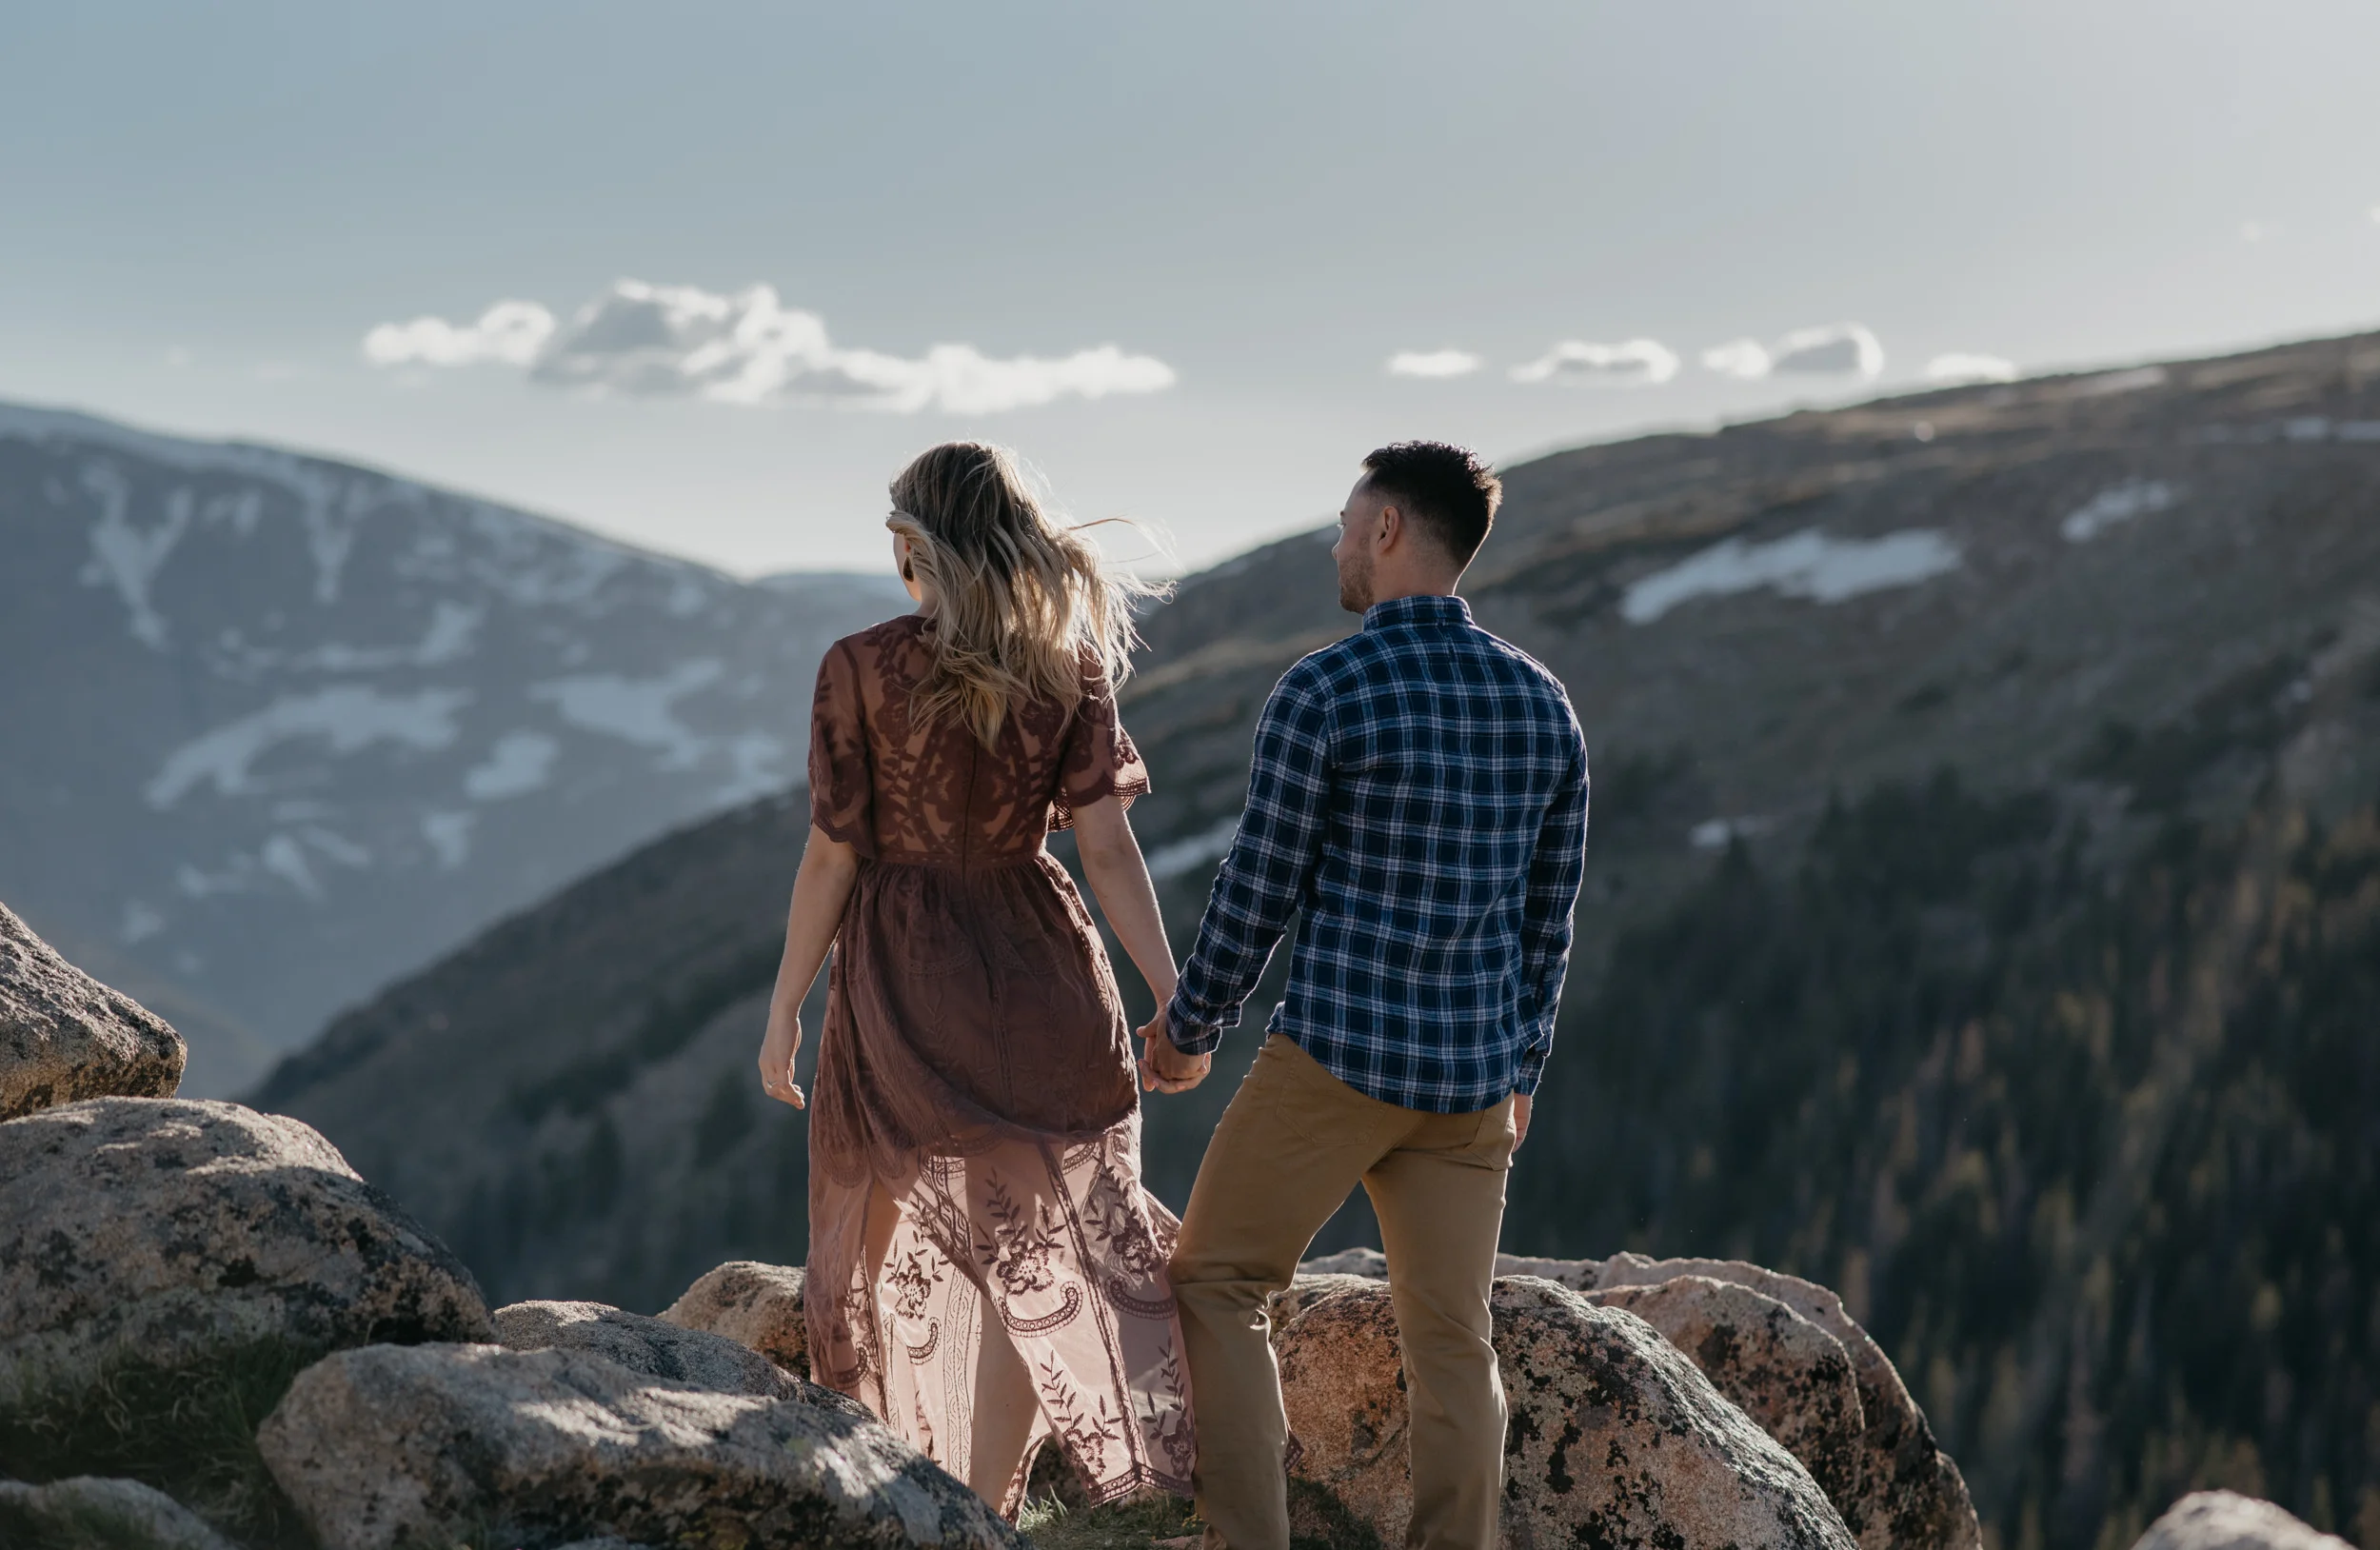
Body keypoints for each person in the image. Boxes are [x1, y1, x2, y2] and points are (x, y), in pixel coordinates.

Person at [1138, 442, 1589, 1550]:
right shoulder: (1543, 703)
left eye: (1347, 520)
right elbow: (1549, 917)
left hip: (1336, 1060)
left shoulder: (1326, 687)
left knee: (1217, 1280)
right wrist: (1521, 1071)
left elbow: (1259, 887)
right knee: (1453, 1342)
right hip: (1473, 1080)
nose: (1336, 542)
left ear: (1388, 530)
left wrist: (1188, 1028)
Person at [756, 441, 1202, 1514]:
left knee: (868, 1223)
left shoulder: (858, 665)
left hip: (903, 971)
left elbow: (832, 855)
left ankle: (878, 1479)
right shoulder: (1068, 664)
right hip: (1040, 961)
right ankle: (988, 1506)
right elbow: (1105, 851)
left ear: (916, 548)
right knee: (1032, 1258)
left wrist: (785, 1005)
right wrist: (1171, 993)